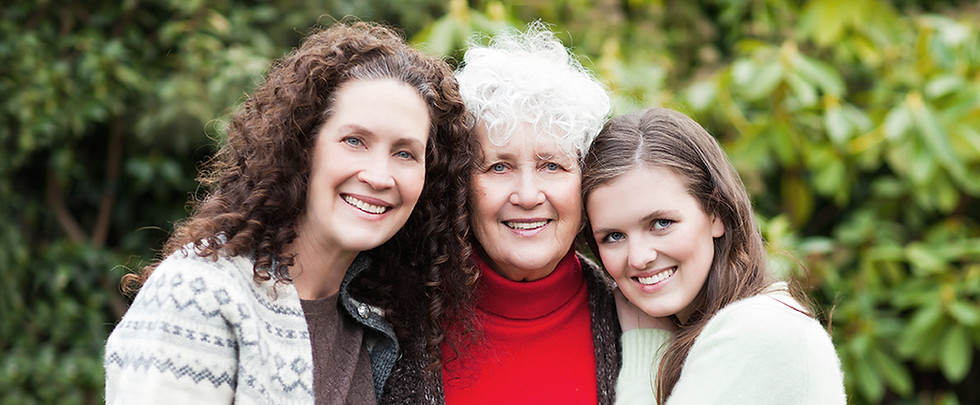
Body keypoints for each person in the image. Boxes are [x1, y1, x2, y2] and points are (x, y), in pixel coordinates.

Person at [103, 21, 476, 404]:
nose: (380, 176)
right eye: (354, 141)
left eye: (404, 153)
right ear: (302, 147)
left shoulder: (382, 320)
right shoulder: (197, 297)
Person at [381, 22, 620, 404]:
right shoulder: (388, 316)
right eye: (498, 167)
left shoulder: (636, 319)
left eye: (552, 166)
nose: (527, 196)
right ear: (462, 184)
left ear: (585, 182)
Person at [581, 107, 847, 404]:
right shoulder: (716, 331)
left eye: (661, 223)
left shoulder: (760, 329)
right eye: (614, 236)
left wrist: (646, 343)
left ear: (716, 214)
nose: (639, 258)